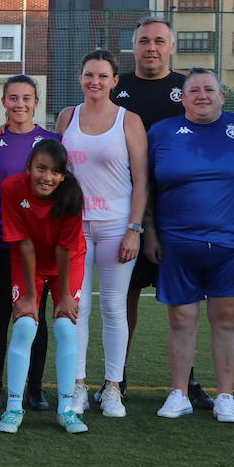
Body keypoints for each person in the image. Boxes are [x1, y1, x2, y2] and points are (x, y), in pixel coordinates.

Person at [149, 68, 234, 424]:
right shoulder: (161, 133)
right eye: (194, 90)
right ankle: (179, 393)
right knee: (181, 319)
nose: (202, 95)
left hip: (232, 242)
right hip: (178, 243)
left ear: (222, 96)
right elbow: (146, 186)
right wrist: (150, 231)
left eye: (209, 89)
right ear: (182, 98)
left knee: (226, 319)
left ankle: (226, 396)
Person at [111, 15, 212, 410]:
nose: (151, 47)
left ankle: (186, 380)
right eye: (143, 41)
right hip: (128, 213)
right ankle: (116, 379)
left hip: (179, 215)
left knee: (183, 303)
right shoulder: (117, 88)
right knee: (125, 298)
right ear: (133, 46)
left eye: (159, 41)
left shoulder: (186, 90)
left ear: (172, 47)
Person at [55, 50, 148, 417]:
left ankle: (112, 387)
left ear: (114, 81)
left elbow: (141, 180)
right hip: (75, 226)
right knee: (77, 308)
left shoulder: (129, 121)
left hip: (116, 225)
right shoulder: (67, 117)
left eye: (103, 76)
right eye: (89, 74)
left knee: (113, 307)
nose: (95, 81)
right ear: (80, 78)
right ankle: (76, 385)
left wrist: (134, 229)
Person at [0, 139, 89, 435]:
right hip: (27, 260)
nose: (47, 177)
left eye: (55, 171)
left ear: (63, 176)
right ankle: (14, 407)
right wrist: (30, 299)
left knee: (64, 326)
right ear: (28, 168)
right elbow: (23, 244)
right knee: (25, 325)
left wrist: (63, 297)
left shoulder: (72, 195)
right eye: (41, 169)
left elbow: (65, 249)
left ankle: (66, 409)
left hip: (67, 260)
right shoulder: (12, 188)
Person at [0, 75, 59, 410]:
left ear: (36, 102)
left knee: (33, 315)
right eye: (13, 98)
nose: (20, 104)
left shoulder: (52, 141)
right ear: (4, 103)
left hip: (37, 244)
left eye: (26, 98)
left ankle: (35, 388)